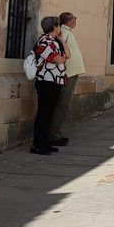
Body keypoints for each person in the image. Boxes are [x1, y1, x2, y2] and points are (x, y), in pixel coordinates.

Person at [29, 16, 68, 155]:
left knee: (49, 114)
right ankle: (37, 144)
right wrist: (61, 58)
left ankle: (44, 142)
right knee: (43, 113)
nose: (60, 28)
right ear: (54, 27)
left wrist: (63, 40)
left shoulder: (55, 41)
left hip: (55, 81)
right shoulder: (45, 41)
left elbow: (67, 55)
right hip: (46, 81)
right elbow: (58, 59)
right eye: (58, 25)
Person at [50, 11, 85, 146]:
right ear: (69, 21)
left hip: (71, 72)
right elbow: (61, 50)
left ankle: (56, 132)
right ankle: (53, 134)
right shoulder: (64, 32)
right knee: (62, 104)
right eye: (74, 18)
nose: (75, 20)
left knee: (65, 104)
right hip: (67, 73)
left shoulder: (68, 32)